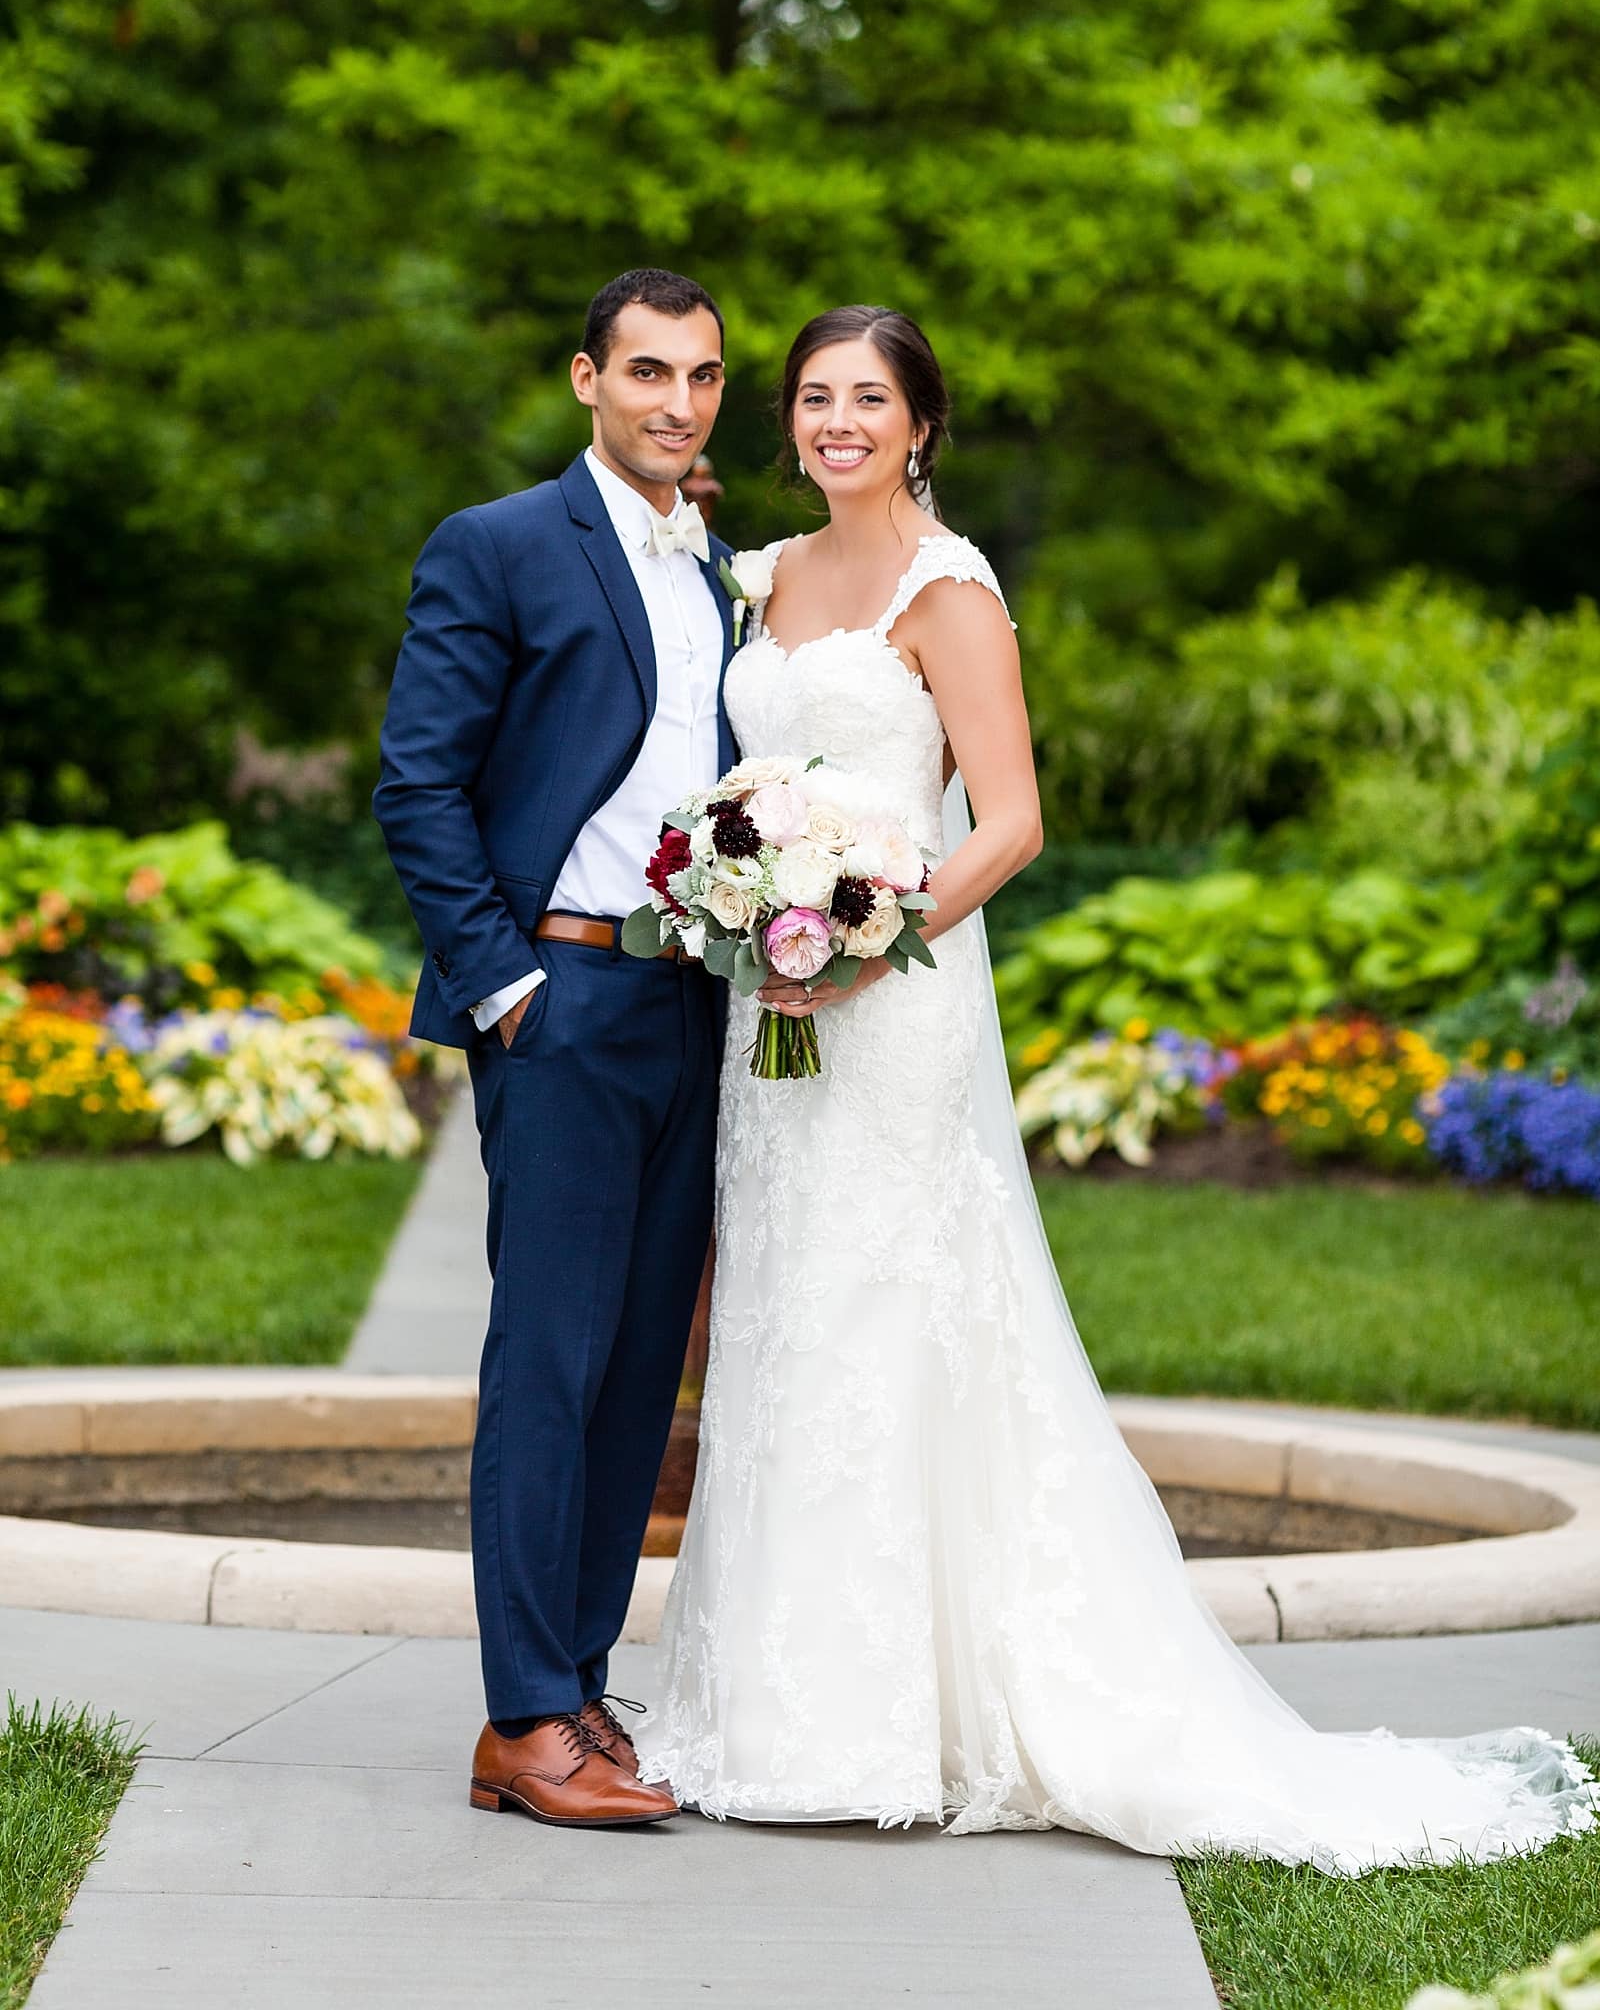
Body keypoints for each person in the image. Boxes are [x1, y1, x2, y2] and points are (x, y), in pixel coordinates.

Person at [634, 304, 1598, 1870]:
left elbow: (1006, 820)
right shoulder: (769, 578)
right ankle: (772, 1711)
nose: (836, 423)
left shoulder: (953, 591)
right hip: (772, 1015)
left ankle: (901, 1721)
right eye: (814, 398)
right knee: (785, 1316)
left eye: (868, 399)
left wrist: (866, 938)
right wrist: (752, 910)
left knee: (892, 1309)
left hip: (892, 1004)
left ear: (922, 422)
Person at [374, 268, 736, 1828]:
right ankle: (519, 1717)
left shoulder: (723, 563)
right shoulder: (502, 544)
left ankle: (577, 1693)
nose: (676, 400)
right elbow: (417, 786)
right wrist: (505, 988)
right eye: (648, 371)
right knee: (550, 1357)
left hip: (697, 1003)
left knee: (641, 1367)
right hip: (563, 1004)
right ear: (587, 378)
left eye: (704, 376)